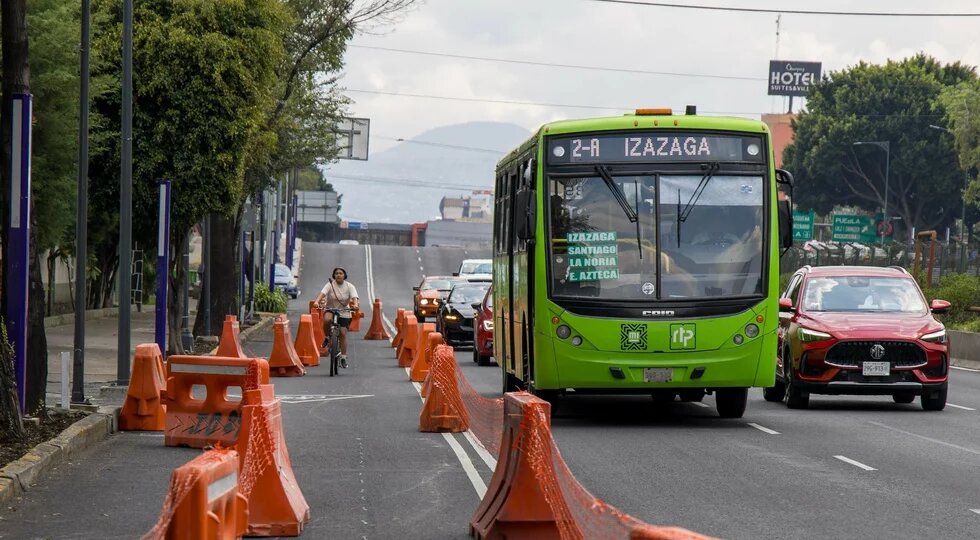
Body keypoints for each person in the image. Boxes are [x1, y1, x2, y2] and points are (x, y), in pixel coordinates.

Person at [315, 267, 360, 368]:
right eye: (336, 273)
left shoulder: (350, 286)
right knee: (327, 320)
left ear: (344, 275)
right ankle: (327, 337)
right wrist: (316, 302)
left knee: (343, 332)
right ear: (334, 275)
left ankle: (343, 357)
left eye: (341, 273)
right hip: (331, 309)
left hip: (344, 311)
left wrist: (355, 305)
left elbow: (354, 298)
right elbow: (322, 294)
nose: (338, 275)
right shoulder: (330, 285)